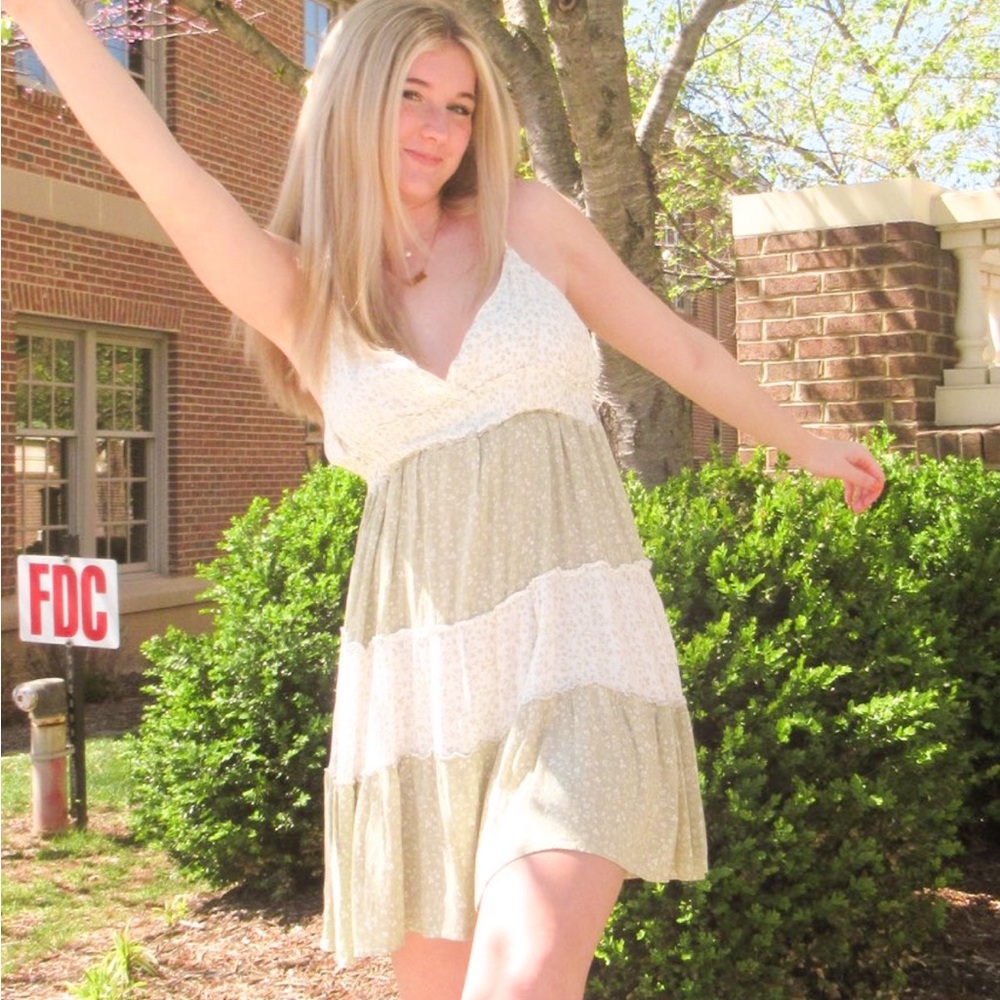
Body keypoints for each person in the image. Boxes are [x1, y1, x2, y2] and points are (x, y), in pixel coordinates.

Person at [2, 0, 886, 997]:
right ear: (350, 102)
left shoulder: (530, 225)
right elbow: (155, 163)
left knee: (524, 976)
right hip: (424, 683)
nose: (437, 129)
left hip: (580, 649)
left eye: (460, 107)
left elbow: (681, 347)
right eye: (412, 97)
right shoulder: (301, 290)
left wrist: (806, 443)